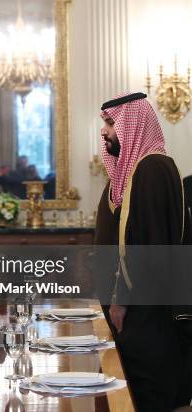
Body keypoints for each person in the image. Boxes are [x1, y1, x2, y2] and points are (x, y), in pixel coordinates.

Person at [94, 92, 192, 411]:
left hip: (146, 310)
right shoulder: (132, 174)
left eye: (111, 122)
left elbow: (149, 246)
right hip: (135, 308)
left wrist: (122, 299)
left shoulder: (152, 168)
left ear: (131, 124)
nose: (105, 131)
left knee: (148, 390)